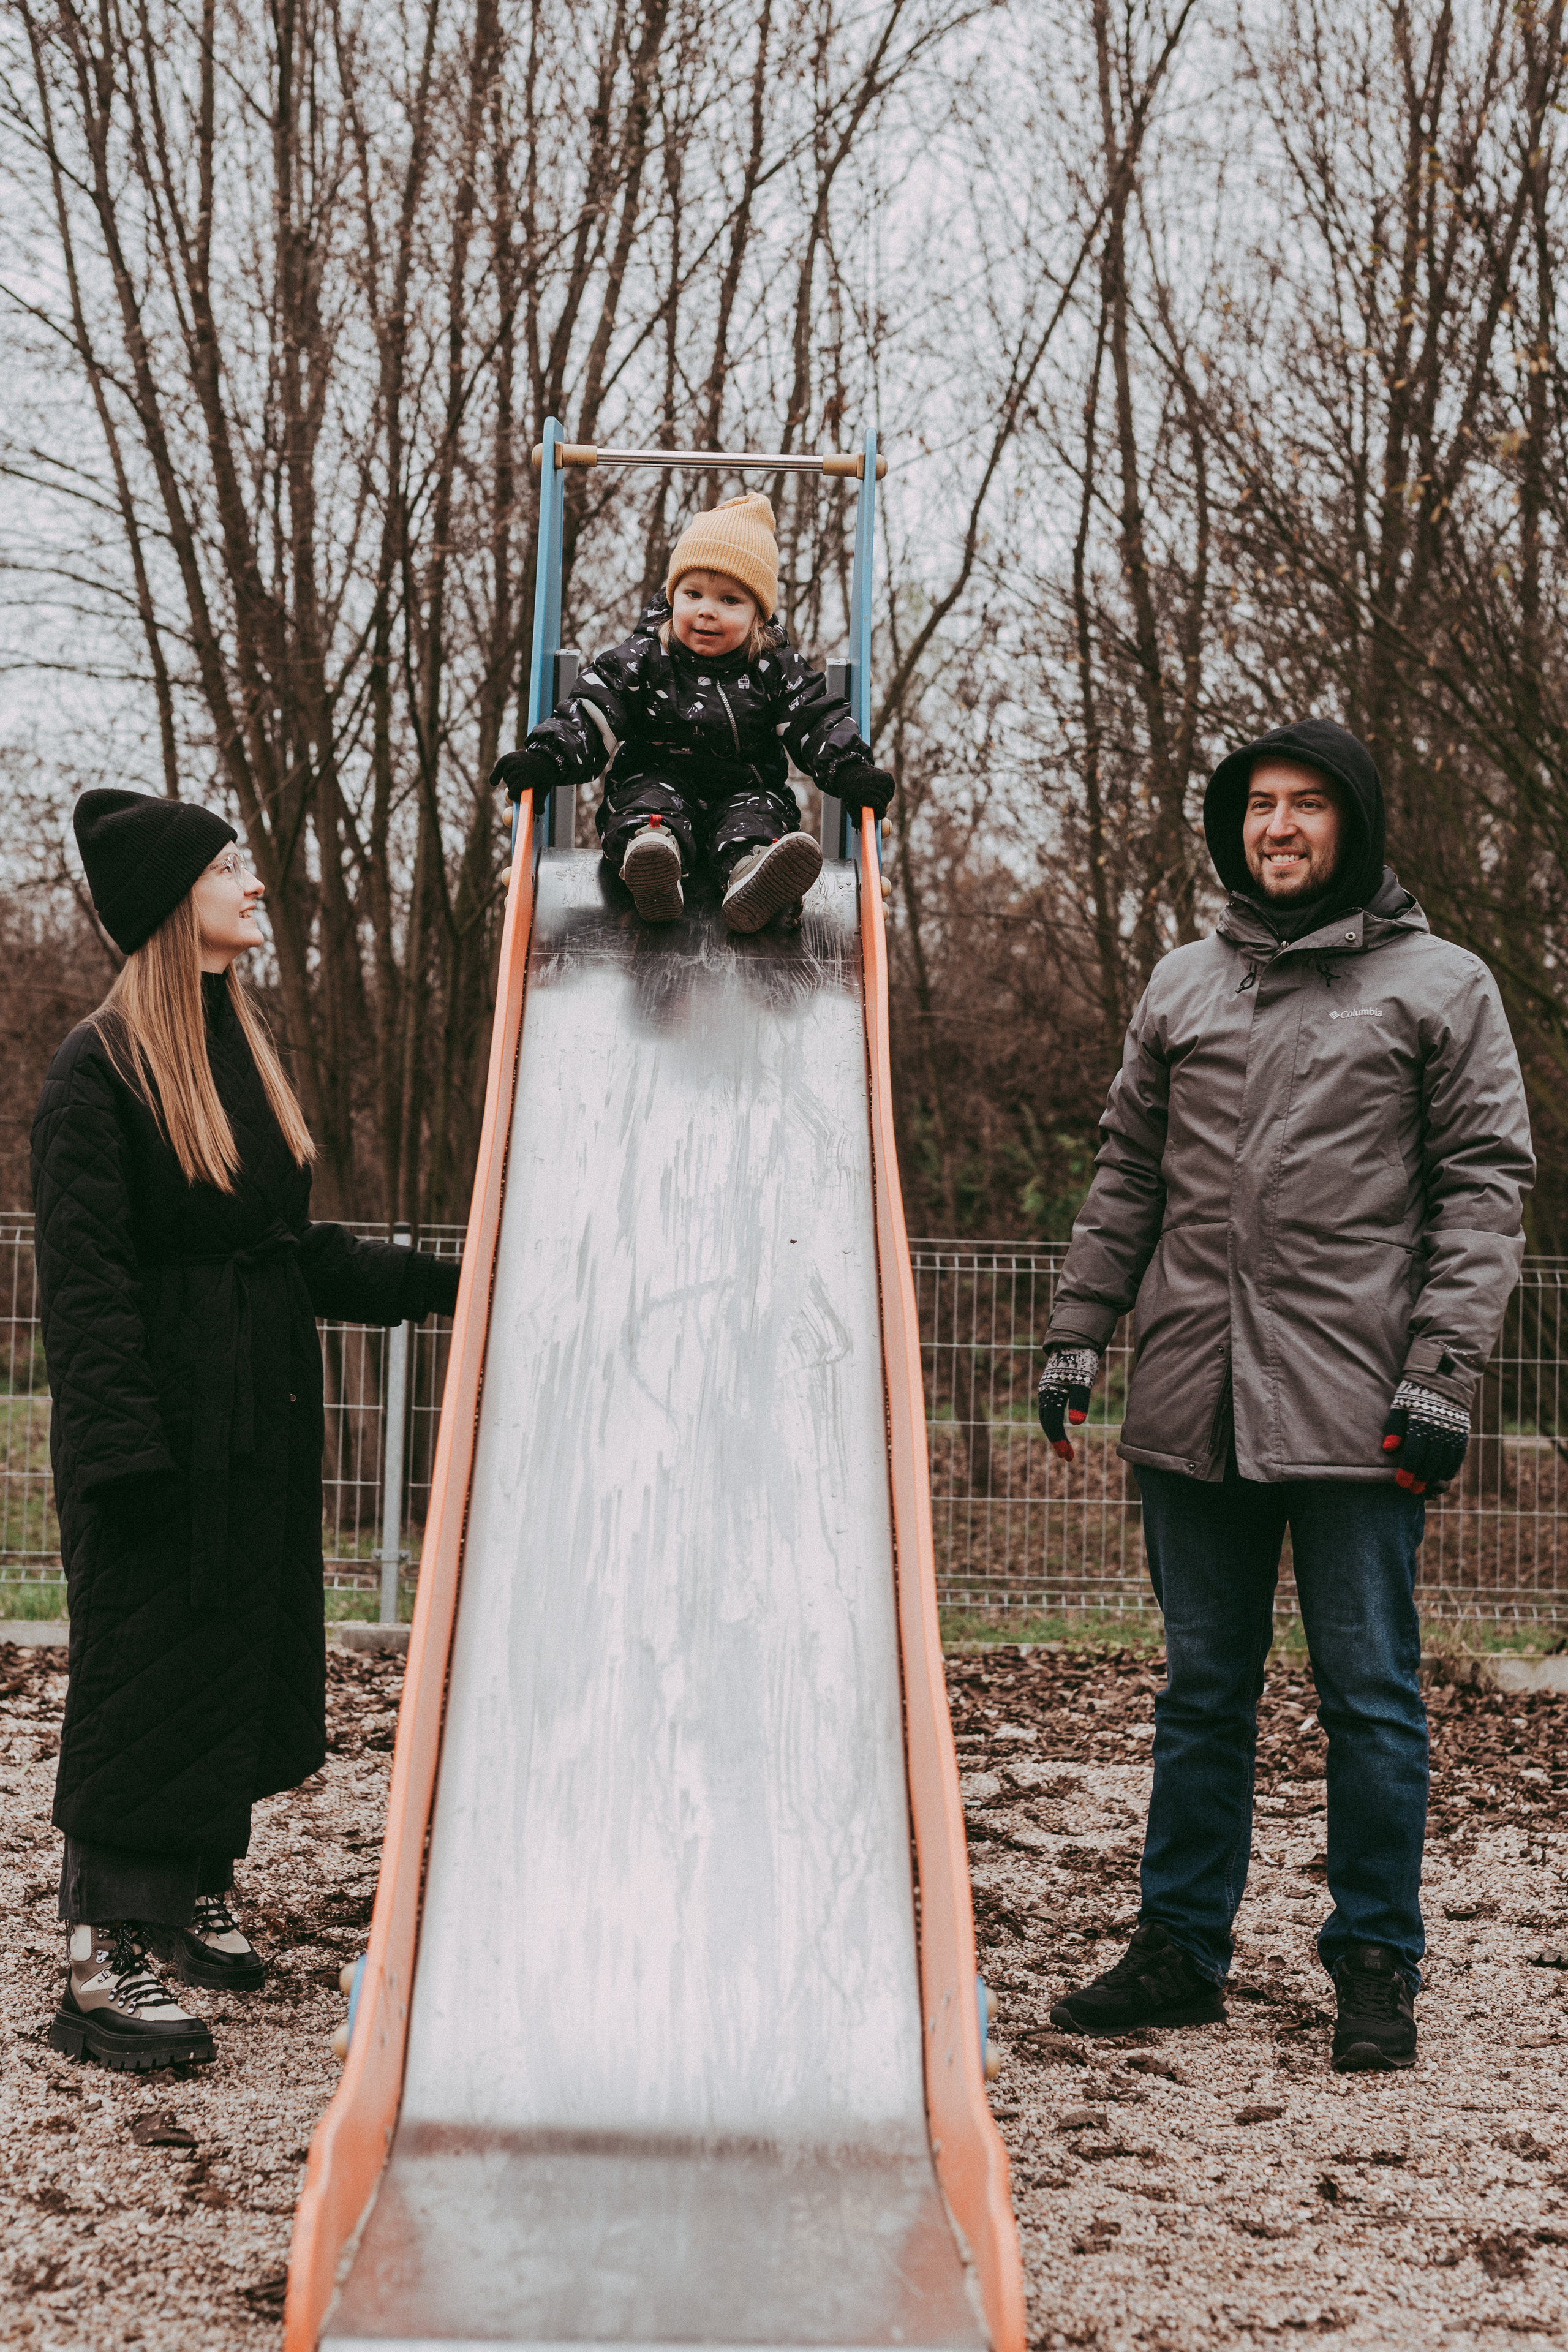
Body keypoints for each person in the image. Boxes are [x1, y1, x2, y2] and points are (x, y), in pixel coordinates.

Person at [1036, 720, 1533, 2073]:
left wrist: (1442, 1374)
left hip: (1358, 1406)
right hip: (1191, 1398)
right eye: (1259, 805)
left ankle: (1374, 1956)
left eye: (1307, 805)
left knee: (1368, 1693)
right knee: (1202, 1691)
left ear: (1351, 825)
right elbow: (1126, 1173)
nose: (1278, 826)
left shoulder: (1441, 985)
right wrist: (1079, 1331)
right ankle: (1179, 1949)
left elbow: (1483, 1189)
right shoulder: (1182, 984)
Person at [31, 788, 461, 2071]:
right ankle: (100, 1951)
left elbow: (288, 1251)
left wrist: (446, 1281)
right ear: (178, 902)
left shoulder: (237, 1050)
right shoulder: (98, 1070)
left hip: (257, 1418)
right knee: (145, 1669)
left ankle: (189, 1892)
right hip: (161, 1428)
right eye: (230, 868)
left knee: (226, 1657)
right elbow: (86, 1289)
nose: (254, 883)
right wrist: (123, 1457)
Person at [491, 492, 894, 933]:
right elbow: (593, 709)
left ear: (759, 614)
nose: (706, 610)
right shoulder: (645, 658)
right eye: (693, 593)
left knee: (761, 817)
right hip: (654, 780)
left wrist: (850, 769)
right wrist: (547, 758)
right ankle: (652, 860)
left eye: (730, 601)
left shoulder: (774, 668)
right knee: (644, 803)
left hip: (745, 791)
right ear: (673, 597)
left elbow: (814, 718)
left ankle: (752, 874)